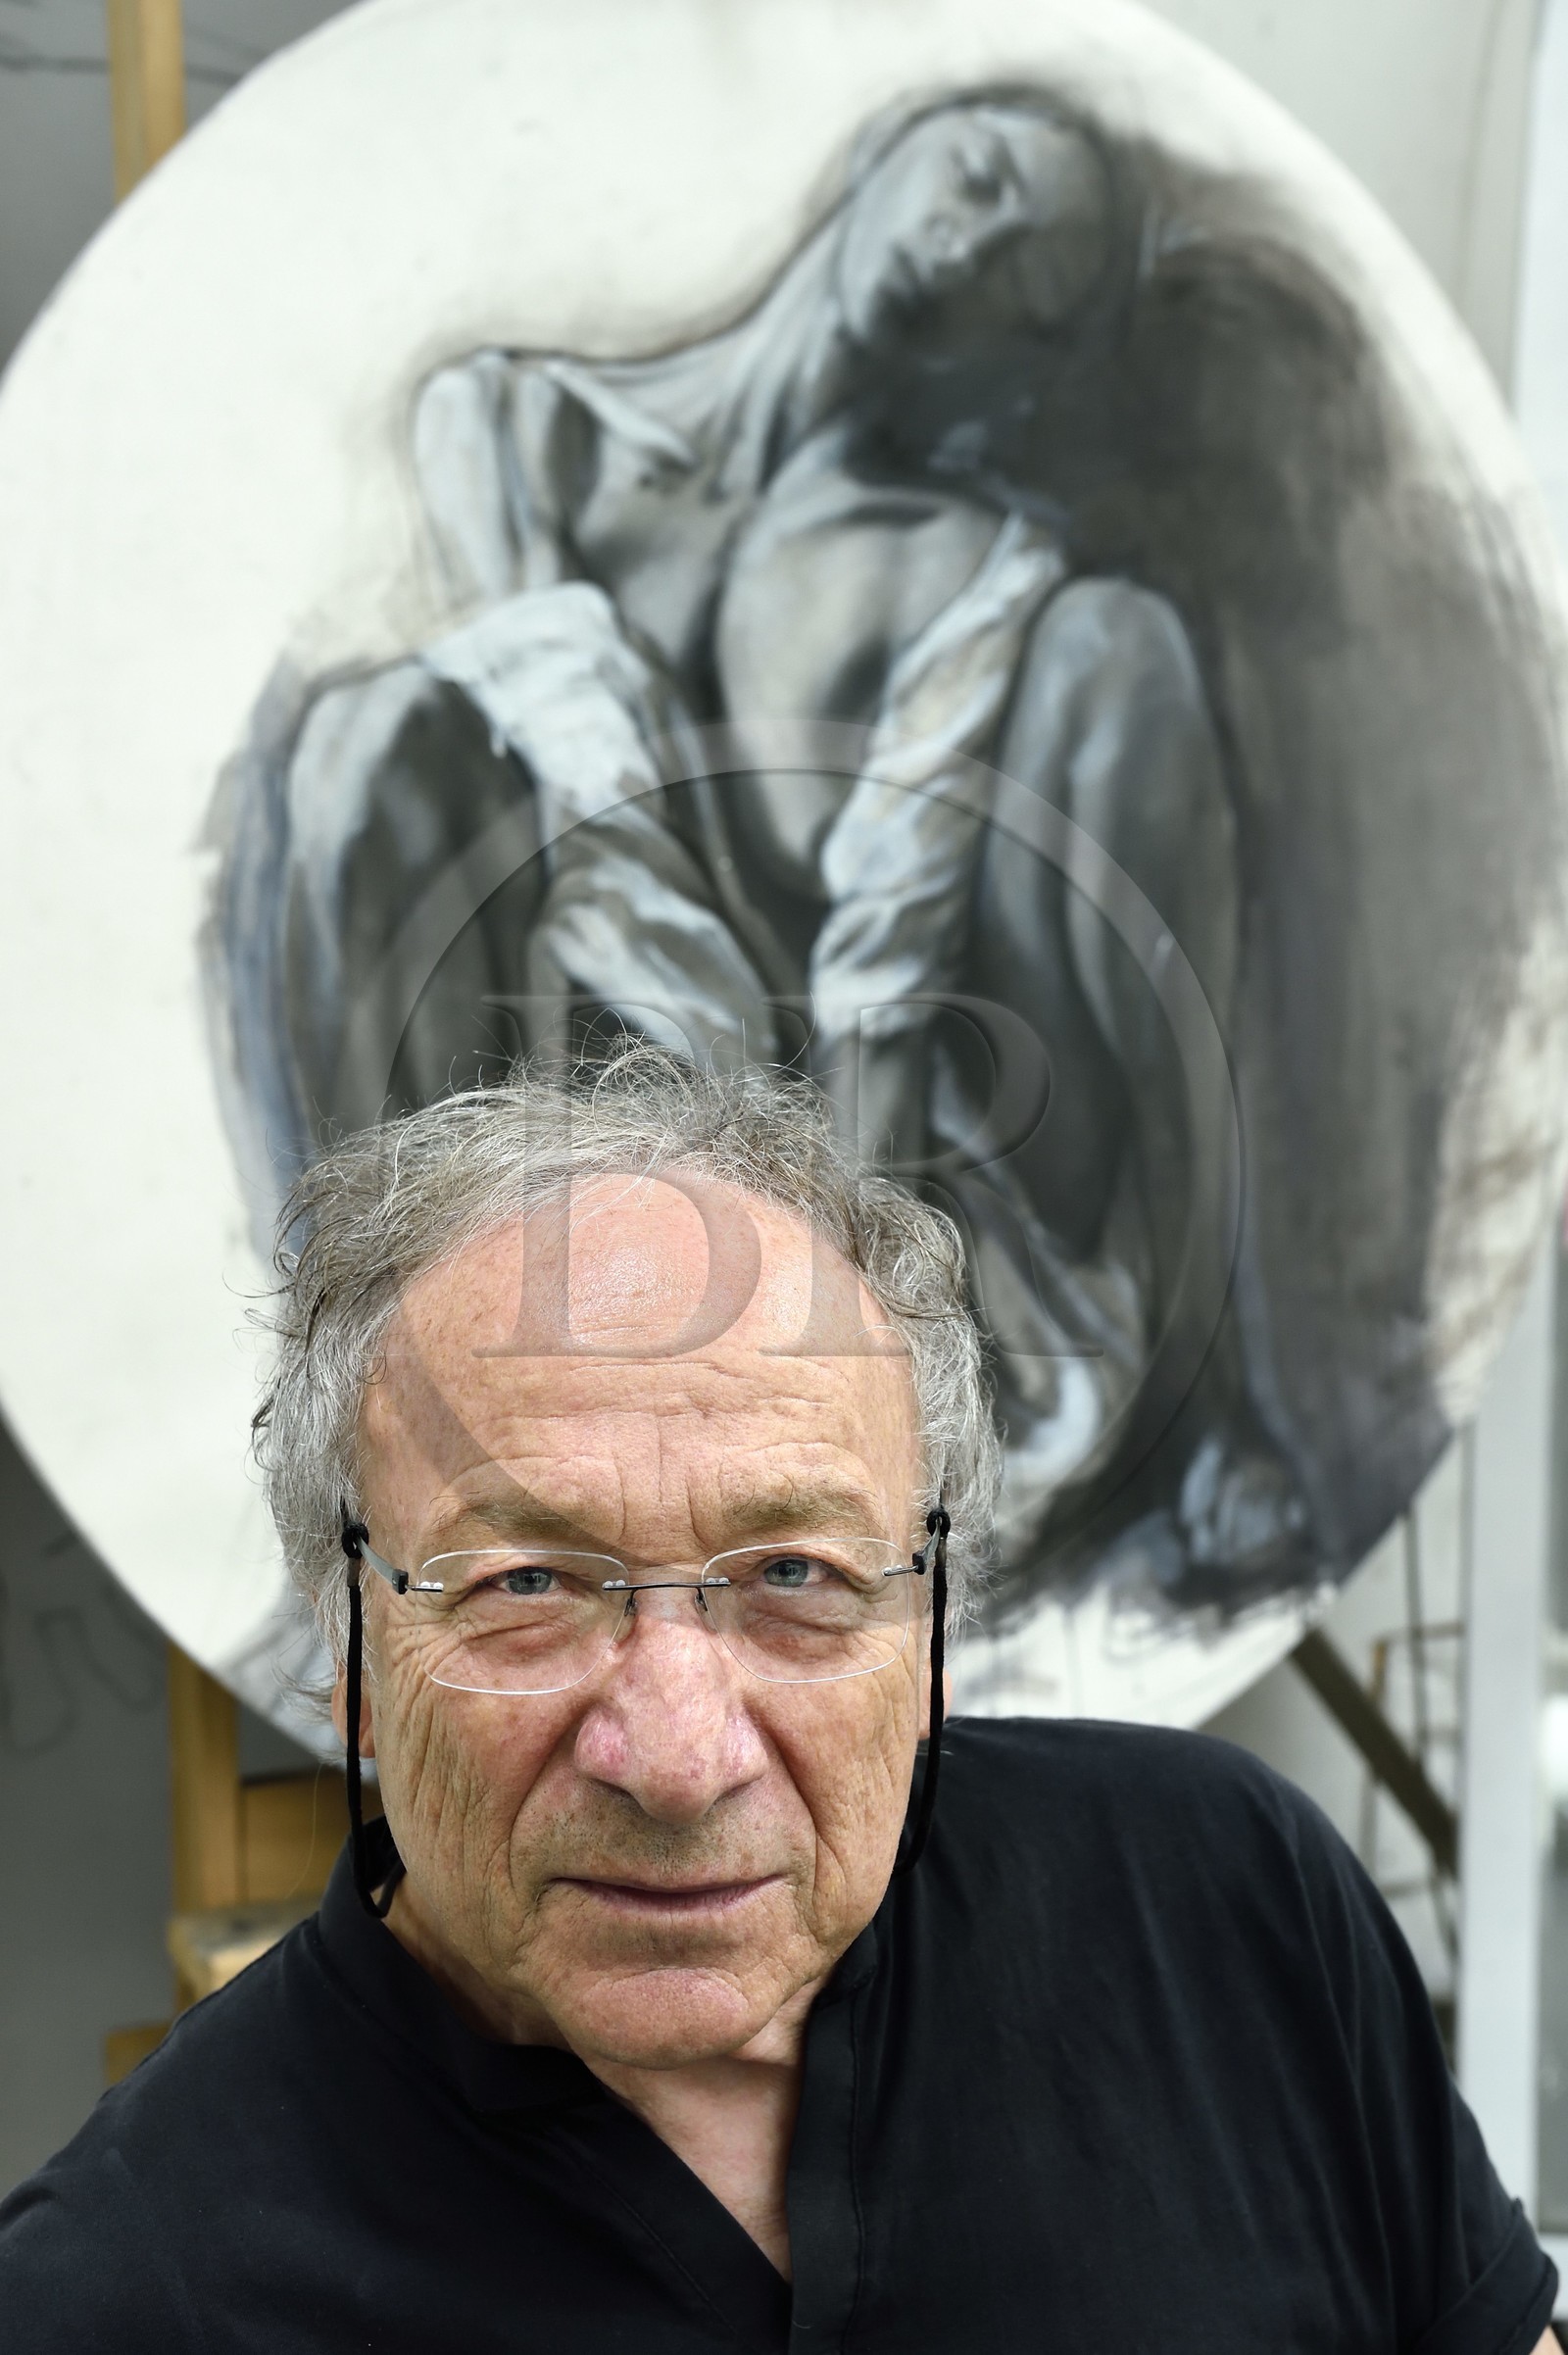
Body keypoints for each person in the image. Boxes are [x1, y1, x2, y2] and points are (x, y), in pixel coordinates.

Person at [0, 1045, 1558, 2351]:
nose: (677, 1759)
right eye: (527, 1588)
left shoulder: (1224, 1906)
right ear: (347, 1651)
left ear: (932, 1622)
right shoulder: (119, 2300)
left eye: (796, 1576)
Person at [219, 93, 1309, 1614]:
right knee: (357, 745)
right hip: (545, 1141)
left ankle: (1228, 1392)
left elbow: (885, 990)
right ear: (884, 159)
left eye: (1033, 269)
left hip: (883, 1167)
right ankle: (343, 1404)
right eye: (979, 177)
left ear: (1032, 361)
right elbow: (562, 800)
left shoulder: (972, 573)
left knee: (1120, 657)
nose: (973, 239)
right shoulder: (519, 432)